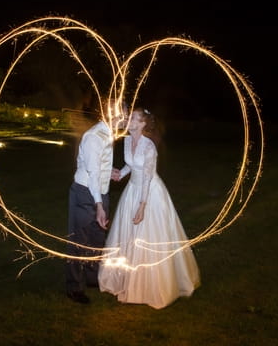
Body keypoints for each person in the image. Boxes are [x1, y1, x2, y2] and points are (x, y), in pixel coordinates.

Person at [98, 107, 200, 309]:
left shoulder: (149, 147)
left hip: (149, 193)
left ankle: (151, 286)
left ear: (143, 124)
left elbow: (146, 176)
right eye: (131, 118)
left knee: (147, 235)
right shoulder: (127, 140)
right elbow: (132, 165)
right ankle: (124, 280)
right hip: (132, 189)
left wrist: (142, 206)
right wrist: (121, 173)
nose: (130, 121)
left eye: (134, 118)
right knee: (127, 234)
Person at [65, 98, 127, 304]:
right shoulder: (94, 137)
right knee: (78, 242)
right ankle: (74, 287)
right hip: (85, 194)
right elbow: (91, 174)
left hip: (100, 192)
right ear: (111, 115)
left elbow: (96, 166)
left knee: (97, 240)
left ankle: (92, 279)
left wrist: (109, 171)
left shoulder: (108, 135)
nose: (125, 120)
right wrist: (99, 206)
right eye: (123, 115)